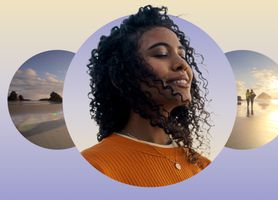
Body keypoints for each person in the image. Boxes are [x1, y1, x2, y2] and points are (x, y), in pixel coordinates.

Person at [82, 5, 211, 187]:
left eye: (182, 55)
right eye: (161, 54)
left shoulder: (203, 165)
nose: (182, 64)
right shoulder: (95, 165)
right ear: (124, 74)